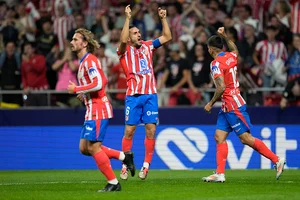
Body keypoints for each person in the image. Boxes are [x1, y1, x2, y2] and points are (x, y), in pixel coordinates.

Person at [202, 27, 286, 183]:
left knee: (246, 139)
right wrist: (225, 36)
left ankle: (277, 160)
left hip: (233, 105)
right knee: (219, 137)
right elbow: (234, 49)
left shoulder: (215, 64)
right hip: (227, 106)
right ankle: (220, 173)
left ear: (210, 49)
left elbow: (221, 87)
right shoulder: (230, 56)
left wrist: (210, 103)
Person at [67, 28, 135, 192]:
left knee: (93, 148)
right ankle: (124, 156)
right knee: (84, 148)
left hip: (99, 108)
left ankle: (113, 183)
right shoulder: (84, 62)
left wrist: (78, 89)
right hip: (91, 108)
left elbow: (99, 83)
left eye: (75, 40)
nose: (72, 42)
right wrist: (85, 94)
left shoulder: (89, 60)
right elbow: (102, 79)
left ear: (84, 43)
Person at [117, 5, 172, 180]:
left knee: (150, 131)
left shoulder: (149, 46)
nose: (139, 35)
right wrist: (127, 18)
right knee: (129, 132)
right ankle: (125, 164)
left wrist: (163, 18)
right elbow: (123, 40)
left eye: (139, 32)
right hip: (133, 97)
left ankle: (146, 166)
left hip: (150, 96)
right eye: (135, 33)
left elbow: (167, 37)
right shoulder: (124, 52)